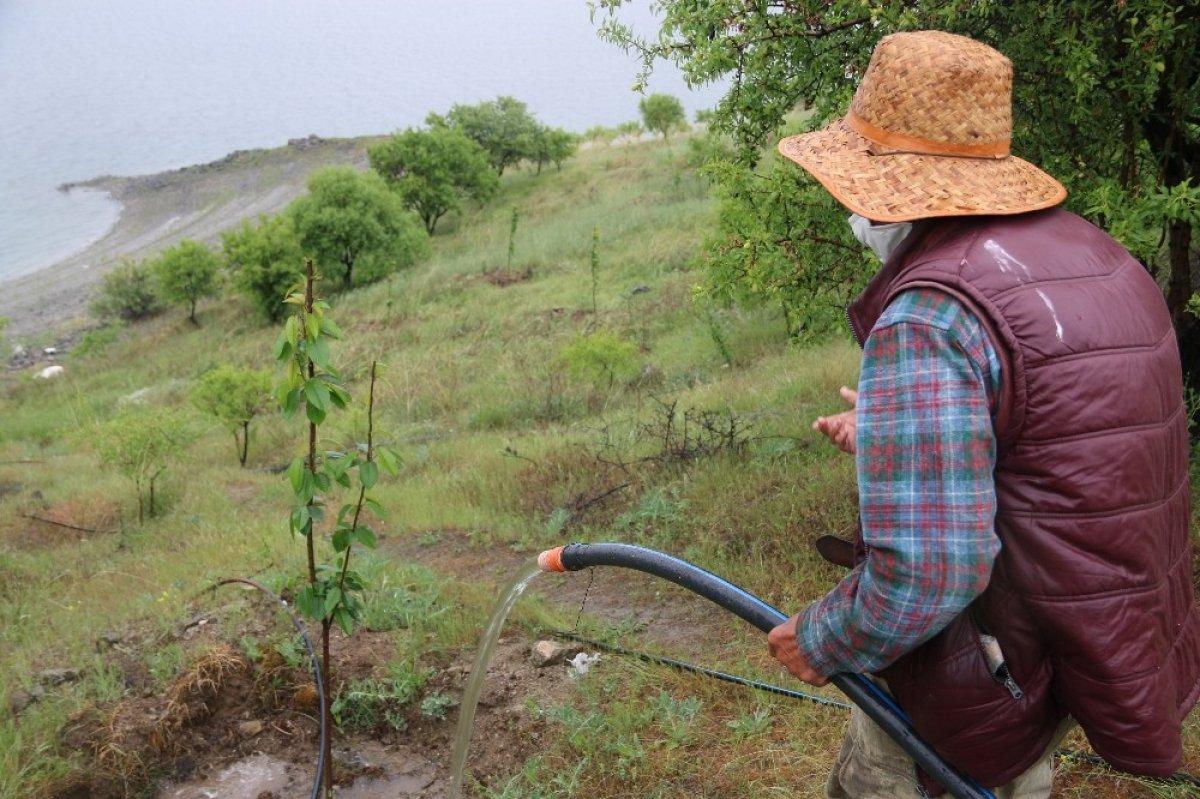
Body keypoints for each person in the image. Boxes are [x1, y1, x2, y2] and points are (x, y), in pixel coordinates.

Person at [765, 30, 1199, 798]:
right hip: (1082, 637)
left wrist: (823, 637)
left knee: (909, 773)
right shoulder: (1096, 258)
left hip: (985, 658)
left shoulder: (931, 313)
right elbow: (1074, 444)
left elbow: (932, 573)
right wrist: (895, 429)